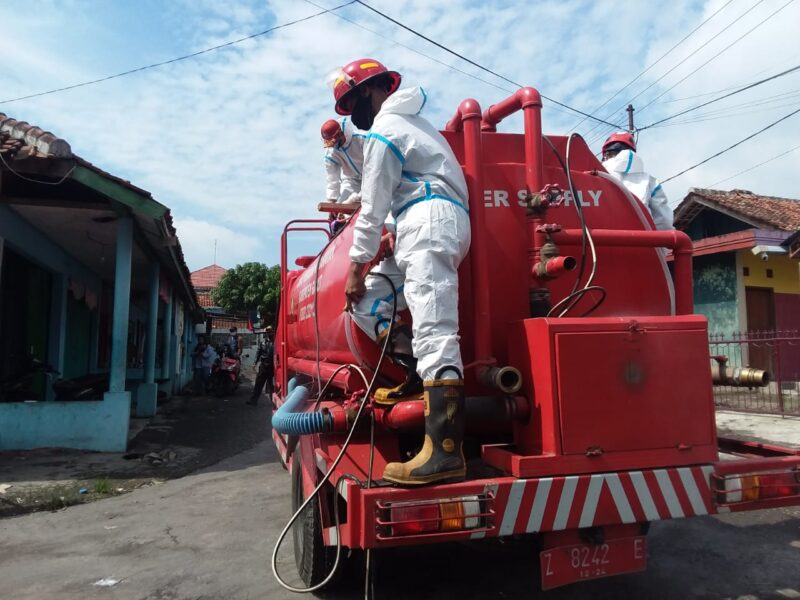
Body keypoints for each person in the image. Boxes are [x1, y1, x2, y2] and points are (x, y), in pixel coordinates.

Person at [332, 58, 471, 486]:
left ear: (371, 91)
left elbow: (371, 210)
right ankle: (414, 374)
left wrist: (355, 267)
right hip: (421, 221)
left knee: (436, 328)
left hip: (428, 222)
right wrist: (391, 236)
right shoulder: (416, 125)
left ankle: (445, 451)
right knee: (371, 302)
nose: (354, 115)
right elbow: (400, 193)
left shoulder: (385, 132)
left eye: (353, 103)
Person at [601, 132, 673, 231]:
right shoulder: (650, 181)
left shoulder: (593, 175)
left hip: (598, 241)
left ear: (606, 154)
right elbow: (664, 221)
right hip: (641, 242)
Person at [322, 118, 366, 234]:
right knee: (341, 210)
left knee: (373, 200)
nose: (333, 146)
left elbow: (375, 172)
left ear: (340, 134)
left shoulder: (362, 139)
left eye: (334, 142)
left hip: (370, 175)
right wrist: (331, 202)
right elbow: (332, 178)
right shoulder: (331, 152)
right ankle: (338, 232)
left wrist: (355, 199)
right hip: (351, 180)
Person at [246, 326, 275, 406]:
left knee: (271, 386)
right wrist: (255, 363)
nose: (269, 333)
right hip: (263, 367)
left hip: (272, 367)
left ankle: (274, 403)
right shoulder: (262, 343)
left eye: (270, 331)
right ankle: (253, 400)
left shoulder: (276, 342)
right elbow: (258, 353)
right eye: (267, 331)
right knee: (258, 384)